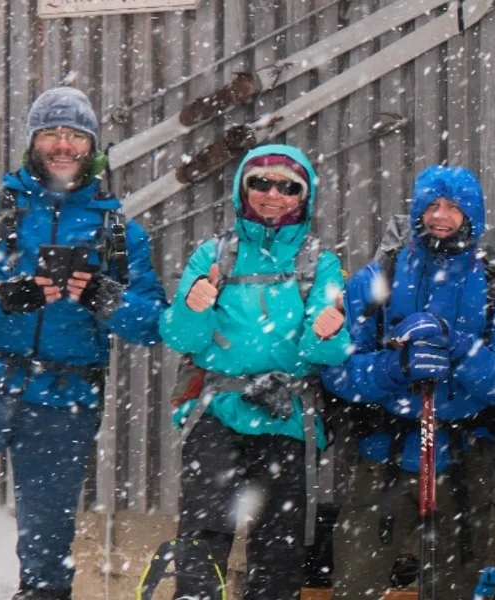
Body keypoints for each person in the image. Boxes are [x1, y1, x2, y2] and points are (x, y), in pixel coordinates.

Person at [0, 86, 168, 600]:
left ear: (93, 147)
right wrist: (2, 294)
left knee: (49, 528)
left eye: (75, 135)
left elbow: (153, 324)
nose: (64, 145)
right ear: (33, 142)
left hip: (66, 392)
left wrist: (104, 296)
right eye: (52, 133)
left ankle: (43, 592)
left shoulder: (118, 232)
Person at [321, 165, 495, 600]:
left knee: (453, 586)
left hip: (462, 457)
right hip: (383, 452)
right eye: (432, 206)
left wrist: (458, 347)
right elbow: (336, 367)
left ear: (471, 217)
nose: (441, 216)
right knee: (356, 581)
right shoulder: (379, 276)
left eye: (454, 208)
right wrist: (395, 367)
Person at [158, 144, 353, 600]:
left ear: (303, 197)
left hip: (287, 414)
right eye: (260, 183)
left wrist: (326, 333)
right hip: (219, 410)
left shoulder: (318, 261)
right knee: (202, 539)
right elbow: (182, 338)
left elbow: (329, 348)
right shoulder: (214, 255)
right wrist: (193, 307)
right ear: (242, 189)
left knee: (279, 550)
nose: (273, 195)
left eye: (288, 187)